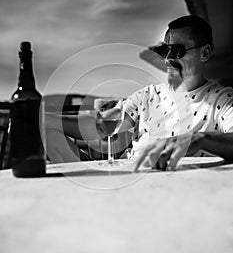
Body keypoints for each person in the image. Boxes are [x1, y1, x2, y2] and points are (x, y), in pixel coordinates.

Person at [45, 15, 233, 170]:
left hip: (185, 190)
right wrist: (39, 117)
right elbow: (103, 125)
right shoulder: (147, 96)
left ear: (205, 53)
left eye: (176, 51)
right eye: (164, 51)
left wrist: (200, 139)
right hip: (128, 178)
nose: (167, 60)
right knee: (48, 133)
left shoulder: (221, 99)